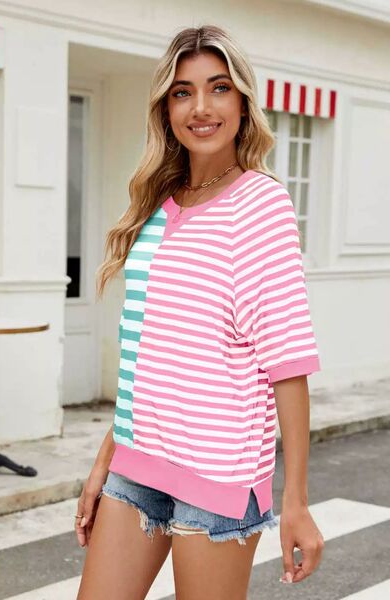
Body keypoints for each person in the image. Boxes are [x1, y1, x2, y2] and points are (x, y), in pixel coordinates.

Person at [75, 24, 324, 600]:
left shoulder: (262, 204)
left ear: (243, 102)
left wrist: (296, 501)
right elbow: (148, 357)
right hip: (136, 464)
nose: (201, 107)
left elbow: (287, 360)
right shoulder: (158, 207)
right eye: (183, 92)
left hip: (219, 476)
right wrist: (104, 463)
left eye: (219, 88)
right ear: (166, 110)